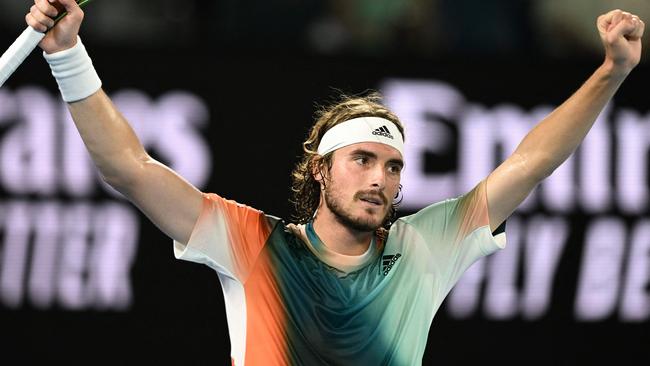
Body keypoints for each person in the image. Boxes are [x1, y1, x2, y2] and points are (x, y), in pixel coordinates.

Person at [26, 1, 644, 365]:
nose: (381, 179)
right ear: (320, 170)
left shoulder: (425, 248)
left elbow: (530, 162)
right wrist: (66, 54)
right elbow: (128, 168)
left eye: (394, 166)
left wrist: (612, 73)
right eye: (363, 160)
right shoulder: (254, 243)